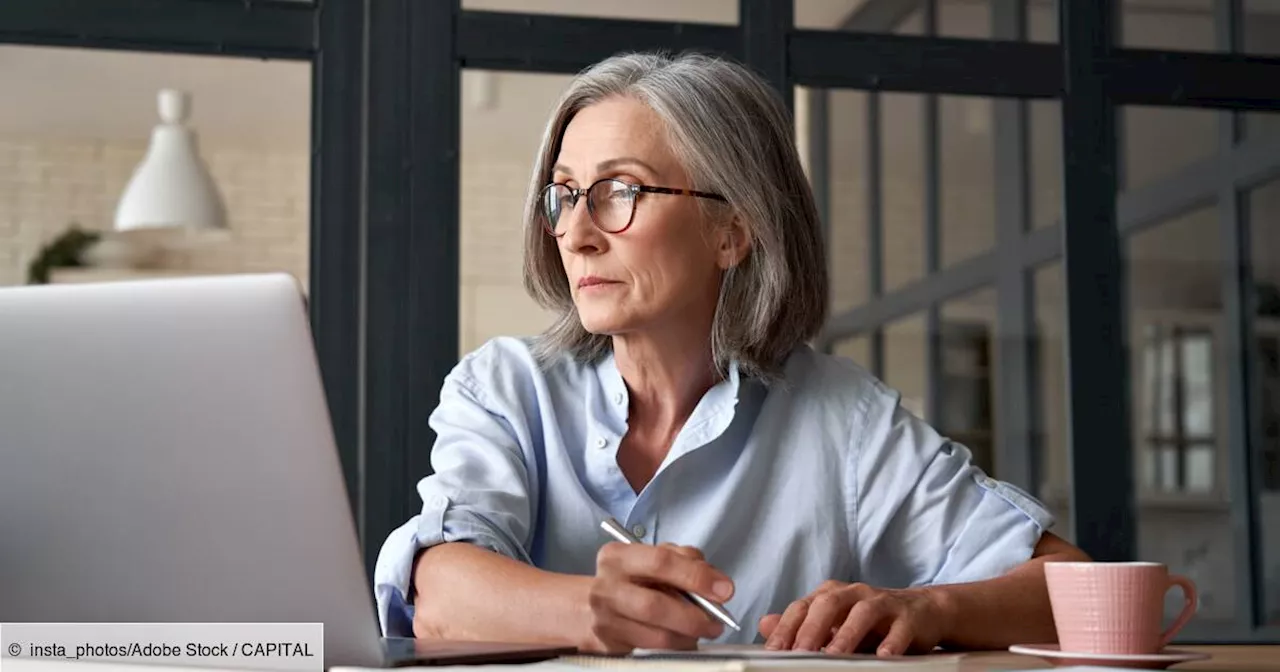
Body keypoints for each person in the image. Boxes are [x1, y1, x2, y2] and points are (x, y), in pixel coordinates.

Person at [373, 51, 1089, 656]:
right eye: (565, 195)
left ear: (733, 232)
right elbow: (436, 593)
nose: (578, 233)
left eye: (619, 191)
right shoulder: (504, 387)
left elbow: (1080, 590)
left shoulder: (844, 418)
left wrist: (929, 611)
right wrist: (591, 610)